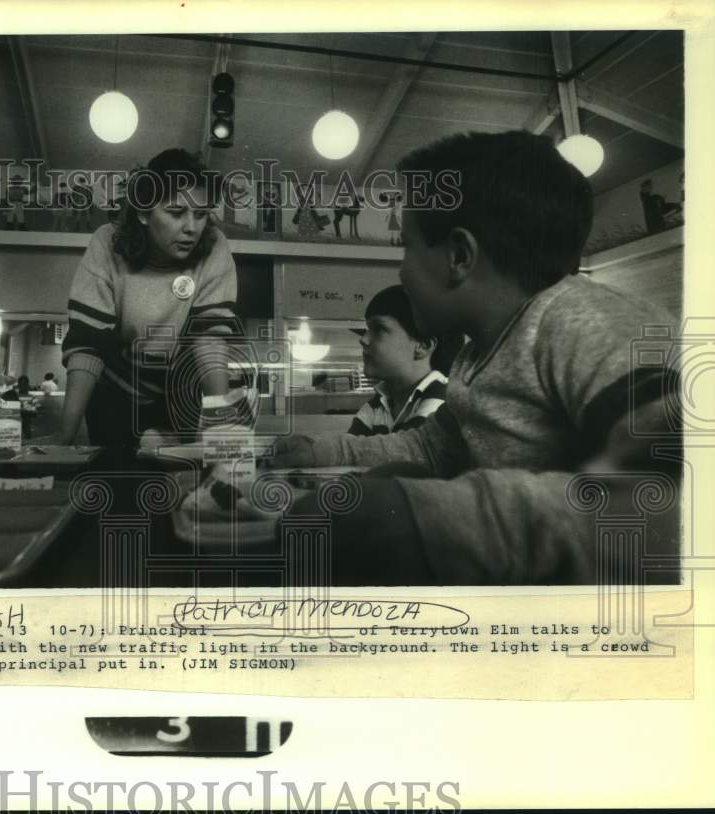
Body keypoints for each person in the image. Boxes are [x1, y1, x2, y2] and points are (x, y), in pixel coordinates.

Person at [271, 130, 680, 585]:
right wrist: (322, 450)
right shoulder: (474, 355)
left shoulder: (584, 320)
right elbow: (427, 448)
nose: (402, 270)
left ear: (459, 256)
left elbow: (666, 499)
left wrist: (428, 517)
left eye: (406, 246)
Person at [57, 148, 239, 446]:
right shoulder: (107, 242)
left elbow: (210, 339)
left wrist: (222, 423)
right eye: (176, 212)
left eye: (201, 213)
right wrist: (65, 436)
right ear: (143, 211)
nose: (191, 228)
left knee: (184, 482)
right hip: (114, 392)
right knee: (116, 478)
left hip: (180, 391)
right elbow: (88, 344)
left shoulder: (215, 245)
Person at [347, 285, 461, 436]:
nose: (363, 340)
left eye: (379, 329)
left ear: (423, 345)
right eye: (367, 329)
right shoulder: (379, 404)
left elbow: (407, 455)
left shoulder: (443, 401)